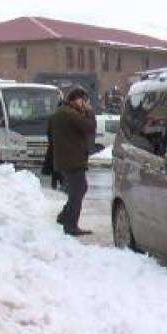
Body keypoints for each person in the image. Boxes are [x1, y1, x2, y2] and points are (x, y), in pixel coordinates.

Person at [49, 88, 97, 235]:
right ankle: (70, 225)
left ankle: (64, 217)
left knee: (78, 190)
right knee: (78, 191)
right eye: (83, 101)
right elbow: (90, 127)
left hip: (66, 159)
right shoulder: (69, 113)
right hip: (72, 160)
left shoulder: (60, 112)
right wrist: (89, 112)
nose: (84, 104)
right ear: (75, 99)